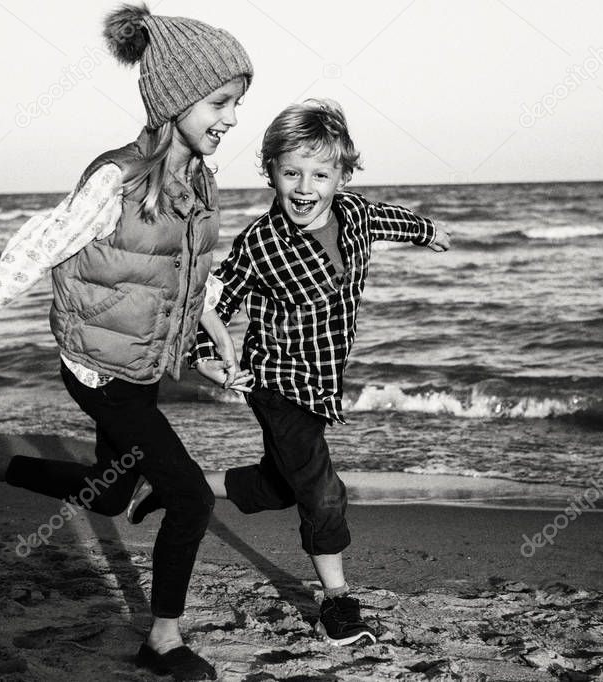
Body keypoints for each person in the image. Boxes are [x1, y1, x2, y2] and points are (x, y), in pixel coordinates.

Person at [0, 4, 253, 679]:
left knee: (111, 494)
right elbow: (38, 248)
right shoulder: (116, 179)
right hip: (97, 372)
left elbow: (187, 279)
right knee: (191, 496)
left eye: (236, 102)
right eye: (220, 101)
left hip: (134, 366)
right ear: (174, 99)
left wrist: (218, 341)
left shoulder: (197, 181)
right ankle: (162, 641)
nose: (231, 116)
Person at [128, 98, 452, 646]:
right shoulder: (263, 240)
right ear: (271, 172)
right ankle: (336, 603)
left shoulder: (354, 214)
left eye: (321, 174)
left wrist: (426, 231)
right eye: (291, 172)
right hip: (277, 384)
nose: (305, 187)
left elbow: (389, 218)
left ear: (342, 176)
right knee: (323, 491)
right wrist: (203, 358)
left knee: (280, 485)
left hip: (321, 385)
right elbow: (212, 300)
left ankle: (179, 485)